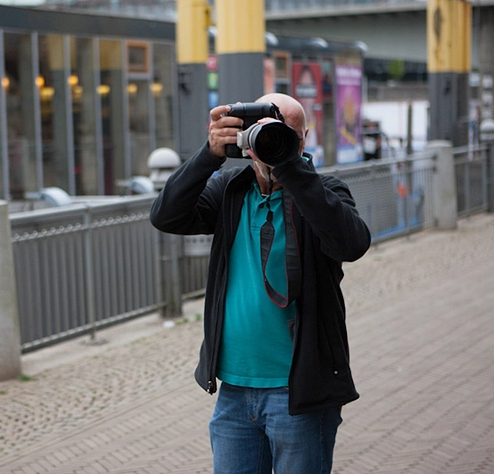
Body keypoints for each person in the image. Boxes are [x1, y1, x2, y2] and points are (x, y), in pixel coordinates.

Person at [150, 93, 371, 474]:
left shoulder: (325, 192)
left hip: (299, 393)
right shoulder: (230, 191)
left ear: (302, 141)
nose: (272, 143)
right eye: (263, 134)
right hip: (234, 393)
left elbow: (352, 243)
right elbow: (166, 216)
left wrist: (290, 169)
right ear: (246, 140)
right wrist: (209, 154)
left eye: (285, 135)